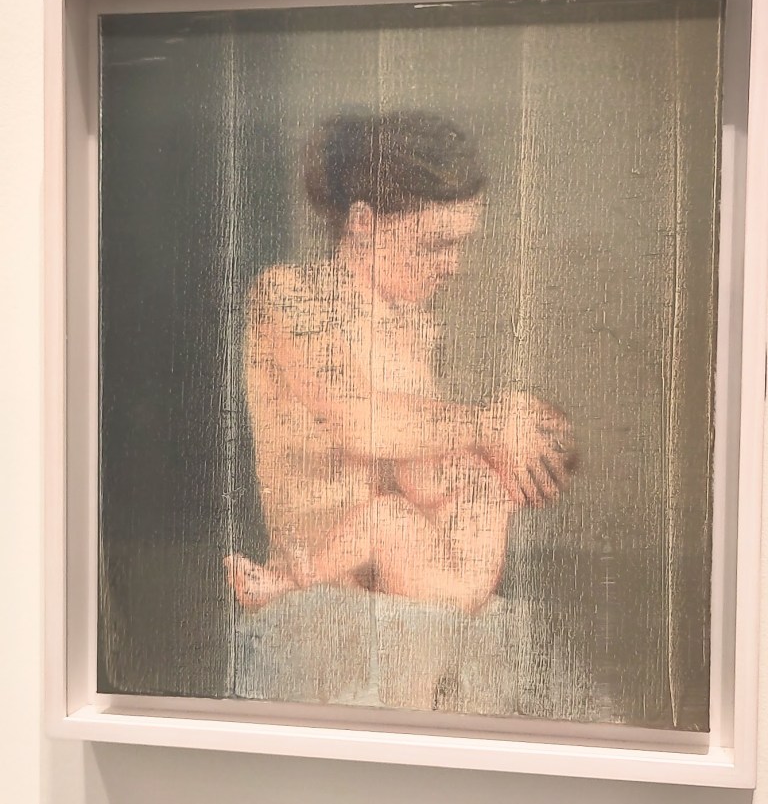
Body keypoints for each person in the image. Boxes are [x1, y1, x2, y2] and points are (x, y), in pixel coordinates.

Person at [224, 111, 578, 711]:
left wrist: (489, 475)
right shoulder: (289, 297)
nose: (453, 265)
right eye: (435, 244)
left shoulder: (412, 327)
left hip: (412, 603)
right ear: (363, 223)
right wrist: (487, 426)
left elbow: (419, 471)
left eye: (459, 245)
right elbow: (359, 420)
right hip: (327, 610)